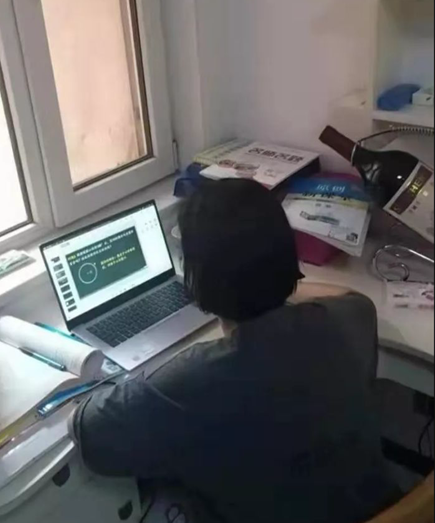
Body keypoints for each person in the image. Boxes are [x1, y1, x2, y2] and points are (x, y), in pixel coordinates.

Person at [69, 179, 399, 523]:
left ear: (196, 279)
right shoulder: (349, 317)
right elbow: (348, 296)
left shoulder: (193, 378)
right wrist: (275, 280)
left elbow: (86, 428)